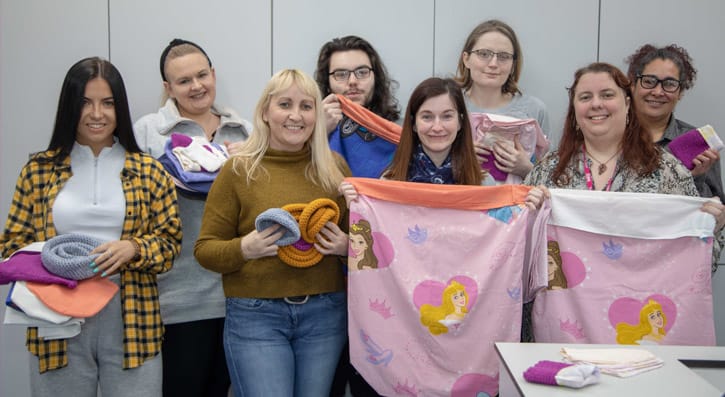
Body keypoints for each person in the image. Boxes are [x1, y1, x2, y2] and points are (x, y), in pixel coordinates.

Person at [0, 57, 182, 396]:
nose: (97, 114)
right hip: (56, 316)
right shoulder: (38, 170)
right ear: (70, 106)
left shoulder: (150, 171)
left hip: (131, 318)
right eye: (85, 102)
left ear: (120, 108)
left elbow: (170, 244)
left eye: (107, 103)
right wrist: (54, 261)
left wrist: (134, 248)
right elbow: (10, 246)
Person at [523, 62, 725, 339]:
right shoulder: (548, 171)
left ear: (627, 104)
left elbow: (692, 261)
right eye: (585, 97)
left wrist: (710, 228)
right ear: (574, 111)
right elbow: (519, 254)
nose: (596, 104)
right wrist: (528, 214)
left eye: (607, 95)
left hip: (639, 333)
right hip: (563, 330)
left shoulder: (665, 169)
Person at [194, 69, 351, 397]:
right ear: (265, 112)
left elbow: (369, 249)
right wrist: (244, 248)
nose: (296, 115)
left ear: (317, 115)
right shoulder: (238, 170)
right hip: (256, 316)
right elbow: (205, 250)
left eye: (307, 106)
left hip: (325, 314)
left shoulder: (334, 168)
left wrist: (346, 247)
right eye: (285, 104)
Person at [134, 38, 252, 397]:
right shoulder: (148, 133)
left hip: (241, 298)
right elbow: (133, 207)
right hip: (177, 300)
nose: (196, 86)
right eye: (184, 81)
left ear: (214, 74)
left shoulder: (247, 131)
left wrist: (251, 162)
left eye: (202, 75)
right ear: (168, 88)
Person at [625, 44, 724, 203]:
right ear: (633, 84)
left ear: (681, 92)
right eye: (649, 81)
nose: (658, 92)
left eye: (669, 84)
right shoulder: (611, 137)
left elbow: (715, 219)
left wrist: (695, 179)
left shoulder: (700, 144)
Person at [455, 19, 550, 179]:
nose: (493, 64)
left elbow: (551, 179)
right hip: (460, 201)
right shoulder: (450, 106)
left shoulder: (534, 110)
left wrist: (526, 168)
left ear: (513, 65)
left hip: (516, 202)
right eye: (483, 54)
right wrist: (459, 160)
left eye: (503, 57)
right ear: (466, 59)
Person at [315, 35, 400, 178]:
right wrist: (319, 132)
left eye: (362, 72)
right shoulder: (310, 127)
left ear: (375, 78)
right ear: (327, 83)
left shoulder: (400, 130)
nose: (352, 81)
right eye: (341, 74)